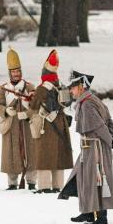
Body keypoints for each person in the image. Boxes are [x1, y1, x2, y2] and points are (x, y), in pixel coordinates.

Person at [59, 71, 113, 224]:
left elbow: (99, 126)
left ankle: (100, 216)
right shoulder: (92, 100)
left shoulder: (87, 104)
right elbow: (109, 121)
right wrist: (112, 138)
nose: (71, 91)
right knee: (85, 178)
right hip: (90, 146)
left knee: (97, 179)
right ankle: (88, 212)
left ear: (81, 87)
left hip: (94, 147)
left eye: (73, 87)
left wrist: (110, 140)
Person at [28, 50, 73, 194]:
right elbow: (66, 102)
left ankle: (44, 186)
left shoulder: (43, 87)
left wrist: (32, 97)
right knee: (58, 154)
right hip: (60, 122)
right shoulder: (61, 85)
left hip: (46, 125)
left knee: (44, 155)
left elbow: (33, 106)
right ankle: (58, 185)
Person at [0, 48, 37, 190]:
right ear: (10, 73)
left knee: (30, 152)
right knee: (11, 153)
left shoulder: (29, 86)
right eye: (14, 72)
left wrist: (28, 113)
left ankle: (31, 181)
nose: (16, 74)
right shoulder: (4, 89)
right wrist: (6, 111)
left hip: (26, 125)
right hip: (11, 126)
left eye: (18, 71)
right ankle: (12, 183)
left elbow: (36, 105)